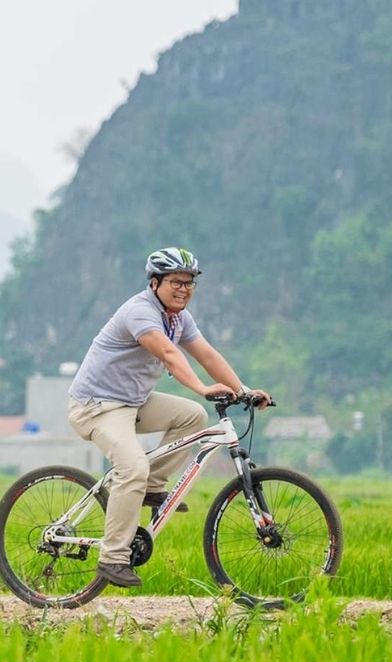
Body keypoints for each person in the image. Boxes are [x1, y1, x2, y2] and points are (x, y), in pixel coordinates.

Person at [67, 247, 272, 588]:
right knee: (131, 467)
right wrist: (203, 388)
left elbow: (206, 353)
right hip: (96, 406)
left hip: (132, 403)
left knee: (192, 416)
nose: (184, 289)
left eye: (190, 283)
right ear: (155, 282)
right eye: (176, 281)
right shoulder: (139, 312)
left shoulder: (179, 318)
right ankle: (113, 558)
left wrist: (244, 389)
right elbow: (167, 353)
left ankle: (150, 487)